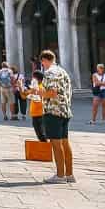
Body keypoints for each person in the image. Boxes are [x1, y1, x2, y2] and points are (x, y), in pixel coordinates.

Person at [38, 50, 74, 182]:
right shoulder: (63, 71)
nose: (42, 65)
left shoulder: (49, 72)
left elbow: (52, 93)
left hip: (53, 111)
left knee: (56, 143)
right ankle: (69, 175)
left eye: (42, 62)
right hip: (65, 110)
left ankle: (60, 175)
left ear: (44, 60)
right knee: (65, 142)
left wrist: (39, 92)